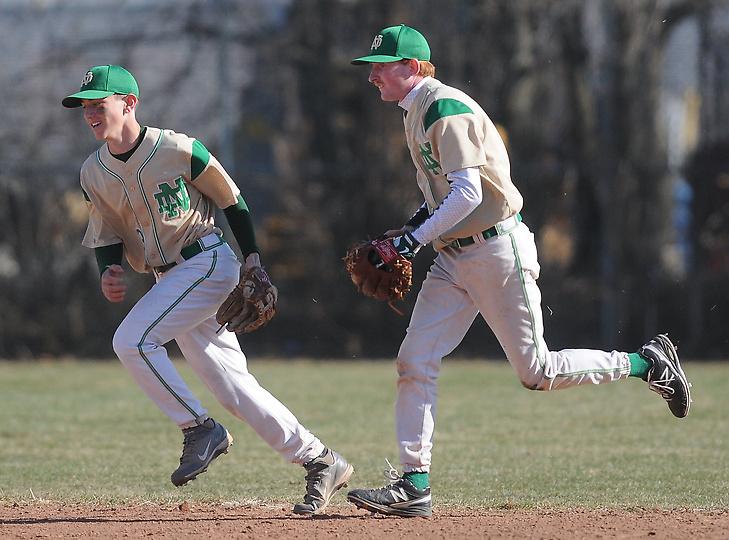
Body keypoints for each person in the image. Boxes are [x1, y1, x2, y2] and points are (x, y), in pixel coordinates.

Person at [345, 24, 692, 518]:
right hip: (453, 257)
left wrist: (410, 241)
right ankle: (413, 483)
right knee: (414, 359)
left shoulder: (443, 107)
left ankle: (648, 363)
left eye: (382, 66)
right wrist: (412, 227)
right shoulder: (415, 112)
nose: (373, 75)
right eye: (372, 68)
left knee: (538, 372)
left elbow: (468, 194)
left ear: (413, 67)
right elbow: (448, 195)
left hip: (494, 250)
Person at [62, 65, 352, 515]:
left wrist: (253, 257)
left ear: (128, 104)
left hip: (208, 261)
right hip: (168, 278)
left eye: (99, 104)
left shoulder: (178, 148)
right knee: (233, 390)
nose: (91, 114)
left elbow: (232, 200)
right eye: (86, 107)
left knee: (133, 341)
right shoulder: (93, 172)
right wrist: (109, 270)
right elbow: (106, 231)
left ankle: (198, 428)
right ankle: (320, 459)